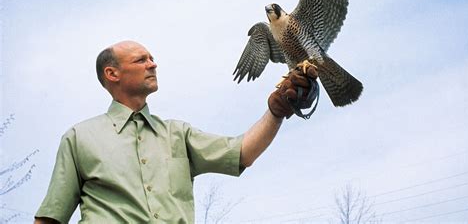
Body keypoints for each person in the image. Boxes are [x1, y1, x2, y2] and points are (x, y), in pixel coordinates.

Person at [34, 40, 318, 223]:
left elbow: (242, 152)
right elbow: (50, 218)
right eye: (141, 60)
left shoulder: (178, 134)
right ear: (112, 74)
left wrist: (278, 110)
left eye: (152, 58)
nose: (153, 64)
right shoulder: (79, 138)